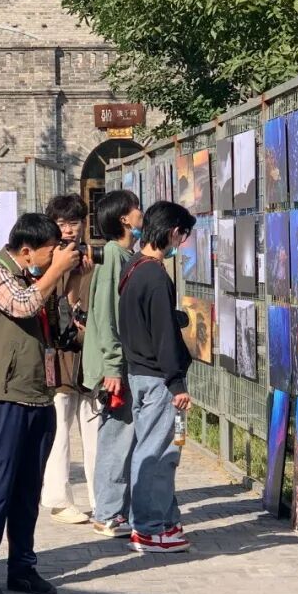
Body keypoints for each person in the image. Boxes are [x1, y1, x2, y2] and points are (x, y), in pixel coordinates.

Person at [0, 213, 81, 594]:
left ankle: (22, 568)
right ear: (28, 250)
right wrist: (56, 272)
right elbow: (21, 305)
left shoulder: (37, 277)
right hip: (3, 398)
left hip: (38, 396)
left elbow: (58, 328)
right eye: (51, 251)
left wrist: (70, 283)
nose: (55, 257)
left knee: (28, 491)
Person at [118, 201, 196, 553]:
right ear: (173, 232)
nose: (182, 242)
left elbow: (148, 320)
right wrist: (176, 383)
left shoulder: (134, 267)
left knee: (162, 448)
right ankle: (148, 528)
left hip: (140, 373)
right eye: (183, 235)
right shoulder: (155, 276)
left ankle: (164, 518)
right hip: (160, 380)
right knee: (158, 452)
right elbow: (163, 336)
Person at [81, 190, 143, 538]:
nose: (141, 213)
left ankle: (118, 510)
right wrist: (113, 367)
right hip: (115, 367)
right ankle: (108, 512)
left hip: (123, 363)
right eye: (136, 208)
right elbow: (106, 317)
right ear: (123, 219)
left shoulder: (125, 256)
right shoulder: (113, 259)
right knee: (116, 437)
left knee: (124, 437)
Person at [40, 194, 97, 525]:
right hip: (59, 355)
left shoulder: (94, 257)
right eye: (61, 223)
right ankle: (59, 498)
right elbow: (58, 306)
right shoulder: (47, 259)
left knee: (95, 427)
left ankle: (103, 497)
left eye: (74, 222)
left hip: (91, 354)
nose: (68, 230)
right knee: (60, 425)